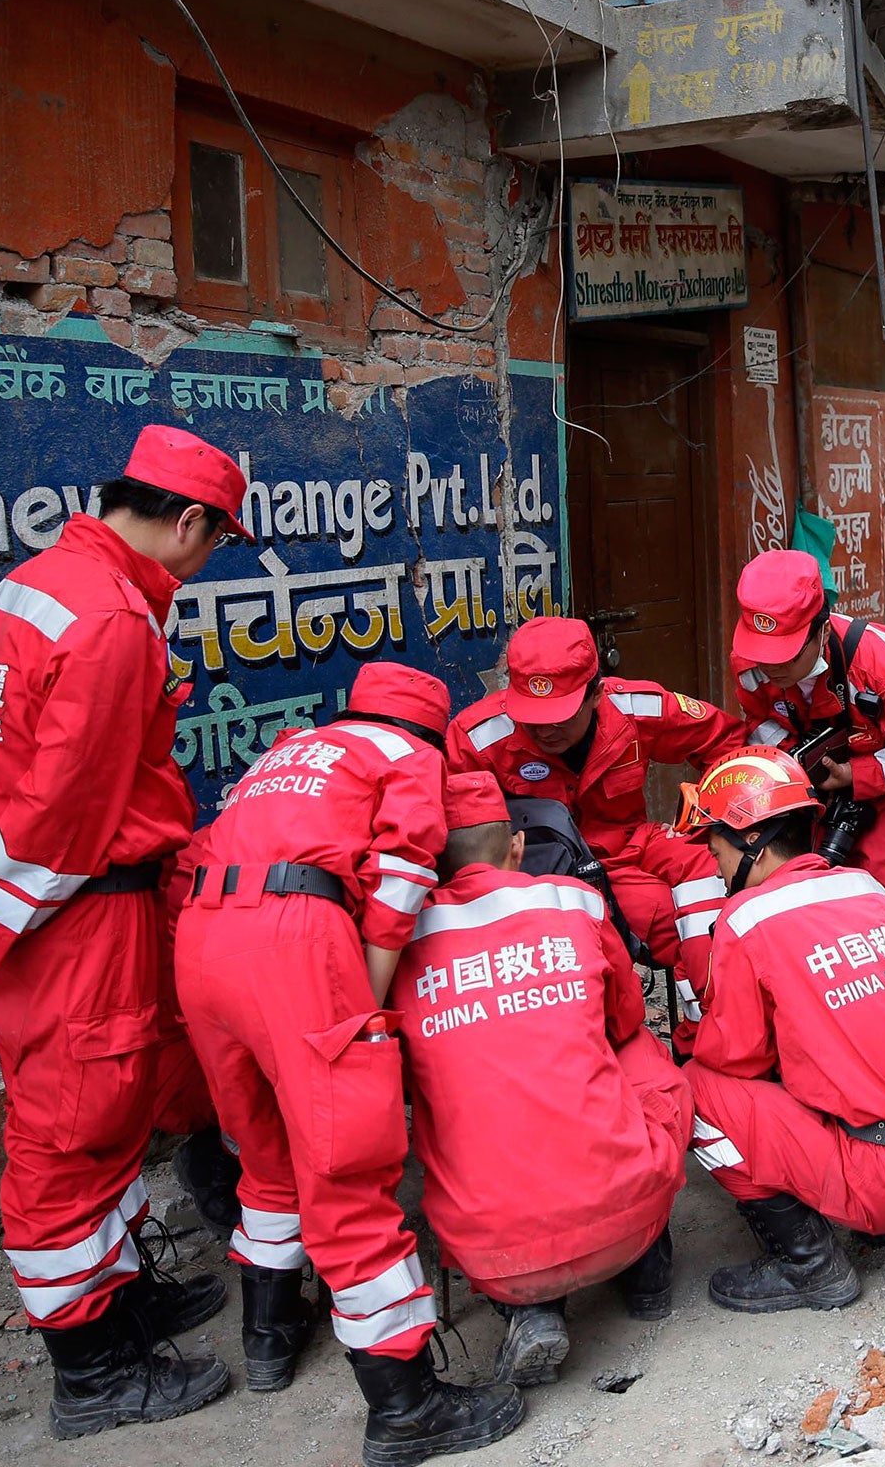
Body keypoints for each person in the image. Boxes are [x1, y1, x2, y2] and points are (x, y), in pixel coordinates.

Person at [0, 424, 251, 1438]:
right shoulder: (111, 621)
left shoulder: (29, 588)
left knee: (105, 1113)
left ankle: (118, 1299)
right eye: (216, 544)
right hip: (72, 918)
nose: (207, 564)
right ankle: (92, 1373)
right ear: (186, 520)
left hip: (39, 909)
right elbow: (66, 809)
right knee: (71, 1132)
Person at [176, 662, 523, 1466]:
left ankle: (267, 1338)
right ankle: (405, 1409)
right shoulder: (411, 760)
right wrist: (361, 1004)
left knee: (267, 1158)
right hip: (294, 943)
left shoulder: (290, 752)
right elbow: (402, 877)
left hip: (201, 938)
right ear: (433, 735)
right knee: (347, 1172)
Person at [392, 773, 692, 1386]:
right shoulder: (569, 900)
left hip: (494, 1255)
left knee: (453, 1088)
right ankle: (647, 1270)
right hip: (626, 1219)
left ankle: (531, 1311)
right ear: (517, 847)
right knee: (636, 1048)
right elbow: (624, 1016)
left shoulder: (395, 943)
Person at [671, 749, 885, 1312]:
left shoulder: (747, 917)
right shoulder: (865, 886)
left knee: (694, 1086)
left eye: (717, 852)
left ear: (752, 843)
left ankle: (808, 1264)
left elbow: (734, 1058)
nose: (715, 870)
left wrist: (696, 1032)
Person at [446, 616, 741, 1053]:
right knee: (664, 927)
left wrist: (709, 815)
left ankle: (717, 1032)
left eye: (560, 715)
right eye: (533, 714)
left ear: (597, 693)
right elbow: (459, 844)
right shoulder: (477, 739)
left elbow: (728, 743)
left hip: (628, 846)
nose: (546, 729)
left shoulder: (639, 707)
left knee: (710, 870)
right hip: (544, 875)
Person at [730, 550, 885, 941]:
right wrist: (792, 762)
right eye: (762, 654)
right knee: (808, 896)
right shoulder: (750, 663)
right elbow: (760, 722)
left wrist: (857, 774)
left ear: (820, 632)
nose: (772, 669)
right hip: (814, 783)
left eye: (785, 655)